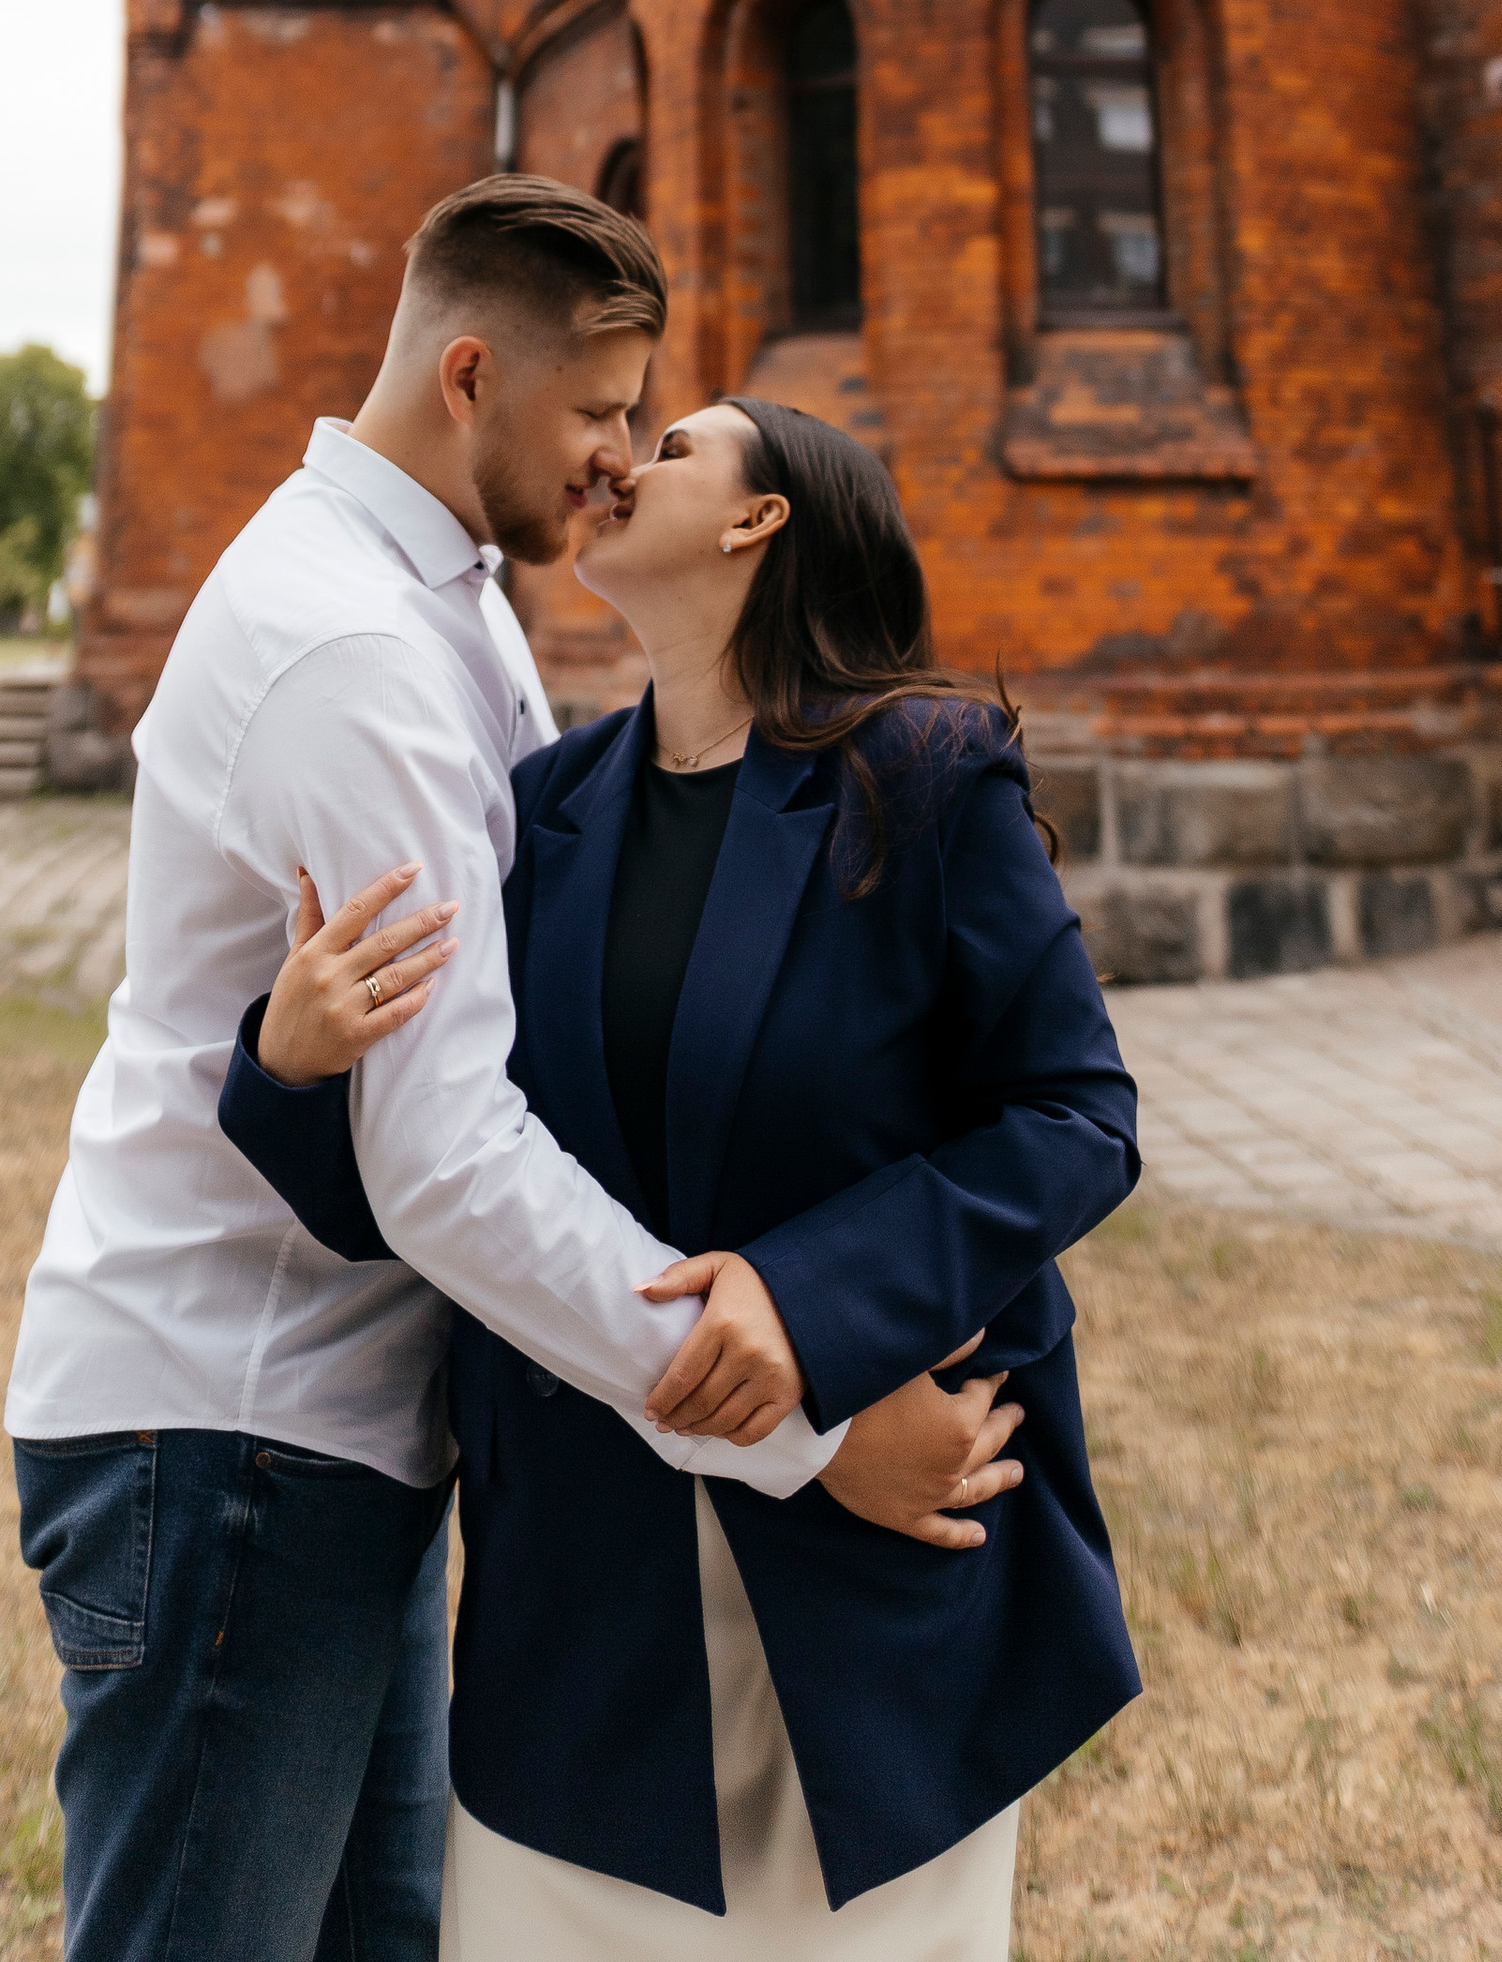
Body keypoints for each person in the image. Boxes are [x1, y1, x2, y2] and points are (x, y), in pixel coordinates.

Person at [5, 181, 1016, 1962]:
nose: (621, 458)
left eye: (648, 420)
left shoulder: (449, 604)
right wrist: (808, 1420)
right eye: (602, 410)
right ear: (470, 372)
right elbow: (453, 1155)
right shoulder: (356, 654)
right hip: (229, 1420)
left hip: (336, 1421)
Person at [222, 391, 1142, 1957]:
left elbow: (1076, 1115)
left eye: (673, 447)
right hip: (584, 1609)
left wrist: (811, 1311)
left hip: (878, 1601)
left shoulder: (923, 776)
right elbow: (419, 1185)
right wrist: (294, 1067)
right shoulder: (535, 818)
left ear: (757, 520)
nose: (615, 462)